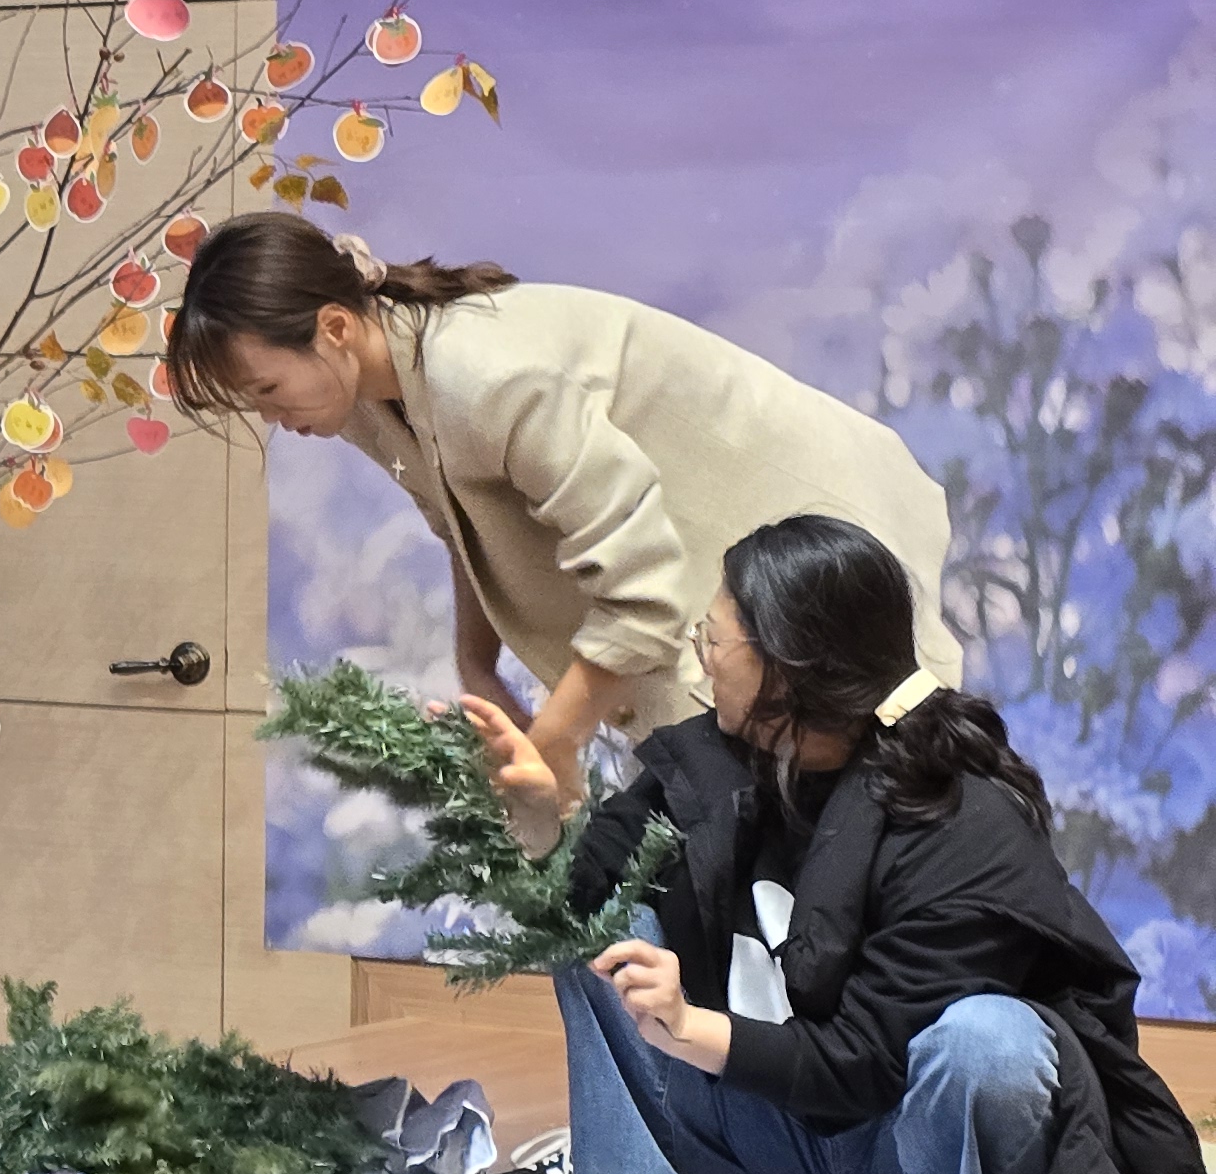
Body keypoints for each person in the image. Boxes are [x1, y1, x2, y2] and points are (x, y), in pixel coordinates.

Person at [468, 514, 1216, 1174]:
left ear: (785, 664)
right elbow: (573, 896)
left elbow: (861, 1064)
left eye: (714, 639)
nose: (700, 659)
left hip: (916, 1156)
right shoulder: (708, 763)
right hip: (781, 1139)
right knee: (604, 931)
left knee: (988, 1040)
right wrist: (539, 820)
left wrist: (688, 1026)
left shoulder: (958, 820)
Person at [167, 215, 957, 812]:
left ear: (335, 329)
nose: (271, 418)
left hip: (815, 542)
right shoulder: (366, 397)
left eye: (267, 390)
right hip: (704, 578)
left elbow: (643, 588)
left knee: (836, 828)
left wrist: (555, 740)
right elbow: (460, 523)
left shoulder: (484, 376)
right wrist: (478, 668)